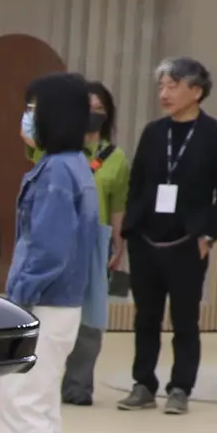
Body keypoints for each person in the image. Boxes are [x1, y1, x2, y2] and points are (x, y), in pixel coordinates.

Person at [0, 73, 102, 433]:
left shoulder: (58, 171)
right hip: (62, 306)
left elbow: (47, 248)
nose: (28, 117)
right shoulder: (75, 165)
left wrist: (17, 299)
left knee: (23, 404)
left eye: (33, 109)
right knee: (40, 407)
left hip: (41, 304)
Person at [117, 57, 217, 414]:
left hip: (188, 242)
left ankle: (180, 387)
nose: (164, 94)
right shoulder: (154, 132)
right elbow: (137, 183)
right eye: (161, 86)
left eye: (172, 86)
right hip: (146, 241)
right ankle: (143, 384)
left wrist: (209, 235)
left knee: (185, 319)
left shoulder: (216, 135)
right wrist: (131, 229)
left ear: (196, 91)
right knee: (145, 317)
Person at [61, 82, 130, 406]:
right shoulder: (58, 150)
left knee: (90, 320)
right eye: (87, 107)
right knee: (53, 314)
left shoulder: (116, 158)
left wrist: (119, 244)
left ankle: (78, 386)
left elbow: (118, 205)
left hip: (96, 242)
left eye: (99, 108)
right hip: (59, 238)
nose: (93, 114)